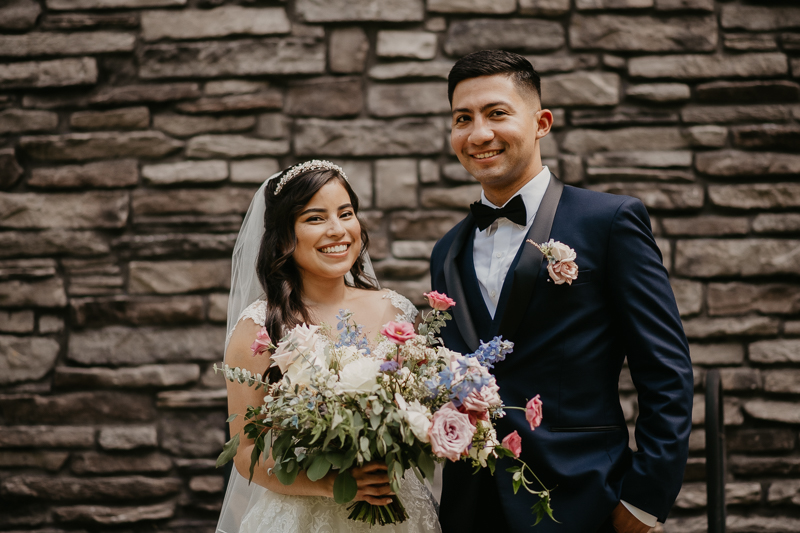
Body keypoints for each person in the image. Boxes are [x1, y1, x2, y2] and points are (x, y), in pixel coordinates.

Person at [430, 50, 693, 533]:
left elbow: (666, 371)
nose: (478, 133)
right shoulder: (446, 251)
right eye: (461, 119)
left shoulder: (609, 222)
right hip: (472, 507)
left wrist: (645, 499)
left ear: (541, 122)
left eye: (496, 113)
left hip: (584, 499)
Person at [217, 160, 441, 533]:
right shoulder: (258, 329)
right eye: (315, 218)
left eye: (346, 213)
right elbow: (244, 454)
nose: (338, 230)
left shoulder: (395, 310)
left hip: (399, 510)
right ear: (285, 235)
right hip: (304, 517)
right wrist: (330, 484)